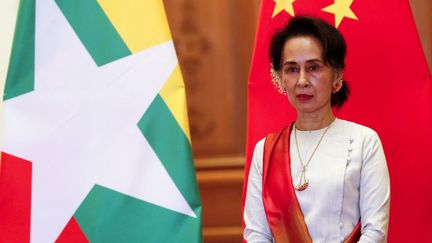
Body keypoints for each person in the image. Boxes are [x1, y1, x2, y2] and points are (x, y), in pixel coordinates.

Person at [243, 16, 390, 243]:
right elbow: (256, 234)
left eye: (313, 68)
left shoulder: (364, 141)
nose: (302, 80)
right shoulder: (266, 151)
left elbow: (375, 232)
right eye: (292, 69)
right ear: (281, 78)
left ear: (337, 76)